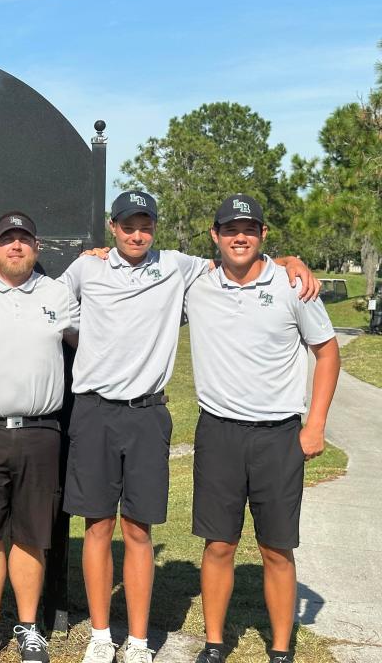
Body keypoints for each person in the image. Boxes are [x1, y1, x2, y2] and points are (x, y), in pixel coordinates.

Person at [61, 191, 319, 663]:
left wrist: (288, 259)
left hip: (148, 413)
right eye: (127, 225)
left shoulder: (180, 267)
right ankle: (101, 635)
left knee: (139, 530)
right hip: (95, 410)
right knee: (97, 525)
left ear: (156, 227)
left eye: (146, 225)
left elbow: (241, 256)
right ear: (112, 226)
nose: (137, 234)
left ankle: (138, 641)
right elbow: (50, 304)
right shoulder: (86, 268)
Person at [185, 195, 339, 663]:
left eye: (249, 229)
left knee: (276, 548)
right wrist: (98, 253)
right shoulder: (198, 283)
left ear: (263, 235)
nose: (240, 237)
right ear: (215, 235)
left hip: (277, 435)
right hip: (219, 433)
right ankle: (214, 644)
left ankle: (279, 649)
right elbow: (138, 266)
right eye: (231, 229)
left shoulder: (294, 284)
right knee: (218, 545)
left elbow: (328, 352)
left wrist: (315, 425)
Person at [0, 212, 78, 663]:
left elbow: (87, 345)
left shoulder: (58, 294)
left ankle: (28, 627)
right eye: (7, 239)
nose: (16, 246)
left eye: (24, 239)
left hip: (42, 431)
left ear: (37, 247)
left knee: (31, 534)